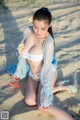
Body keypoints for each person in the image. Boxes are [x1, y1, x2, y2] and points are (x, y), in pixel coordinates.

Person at [11, 7, 76, 120]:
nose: (38, 32)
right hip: (33, 75)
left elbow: (46, 68)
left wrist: (45, 89)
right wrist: (19, 71)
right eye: (36, 27)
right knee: (30, 101)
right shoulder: (27, 30)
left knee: (43, 106)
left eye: (43, 28)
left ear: (50, 25)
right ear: (32, 22)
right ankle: (58, 88)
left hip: (47, 74)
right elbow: (22, 56)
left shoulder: (48, 42)